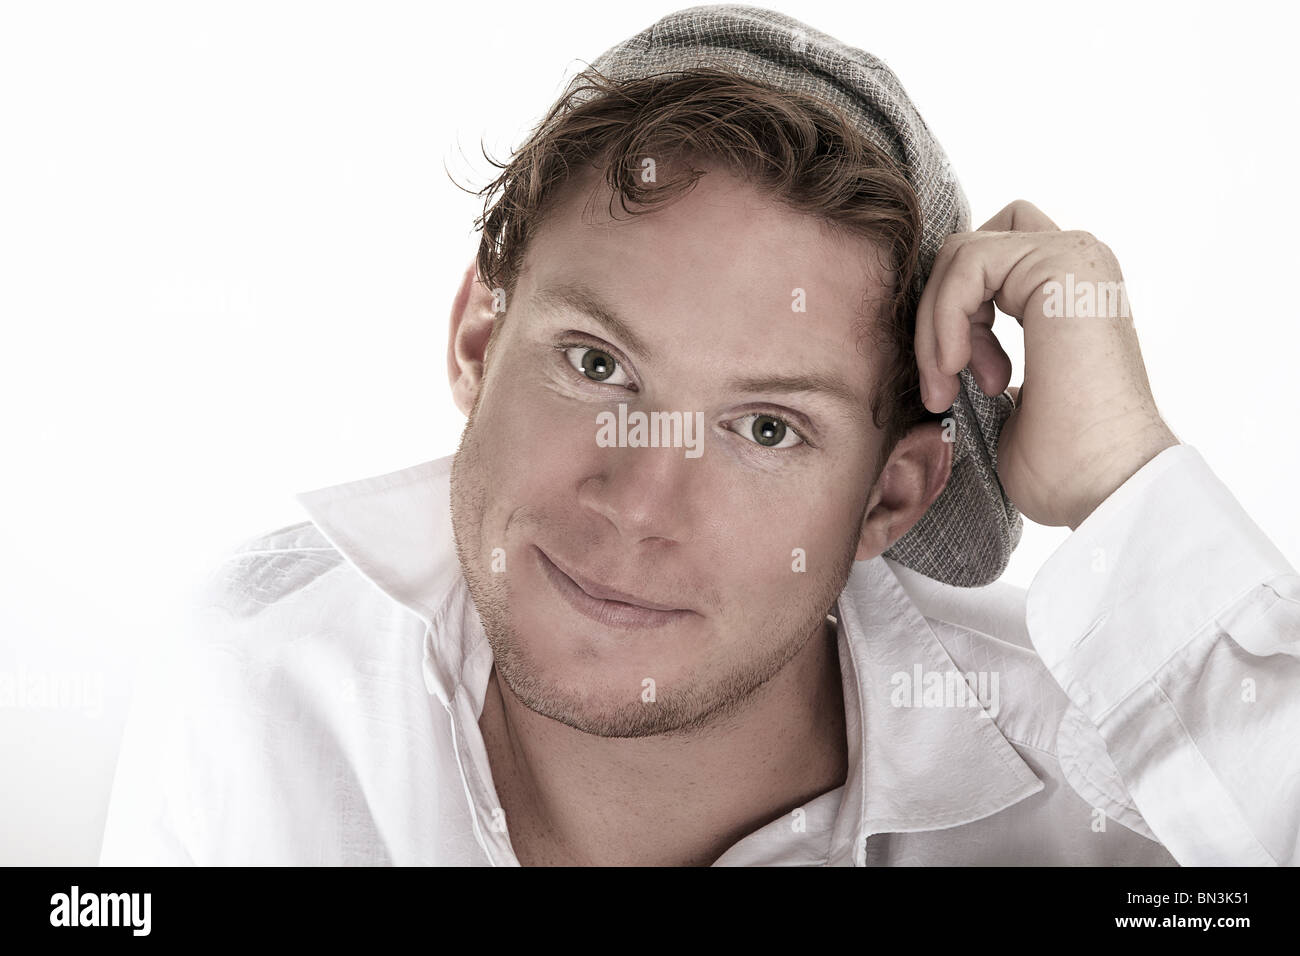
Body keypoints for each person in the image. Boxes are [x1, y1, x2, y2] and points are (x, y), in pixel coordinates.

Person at [100, 5, 1300, 866]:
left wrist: (1127, 484)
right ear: (476, 338)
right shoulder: (256, 679)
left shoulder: (1115, 786)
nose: (638, 501)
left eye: (766, 427)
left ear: (888, 499)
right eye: (595, 363)